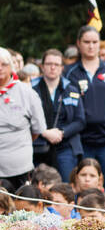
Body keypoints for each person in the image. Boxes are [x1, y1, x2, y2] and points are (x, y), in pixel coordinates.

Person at [63, 26, 105, 197]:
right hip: (81, 141)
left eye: (95, 42)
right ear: (79, 44)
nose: (91, 46)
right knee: (82, 190)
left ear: (100, 44)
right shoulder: (69, 72)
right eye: (87, 42)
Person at [32, 49, 85, 180]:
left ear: (62, 68)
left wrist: (62, 133)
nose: (52, 67)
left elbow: (80, 121)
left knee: (66, 187)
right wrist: (44, 132)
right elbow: (26, 118)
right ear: (42, 66)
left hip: (66, 145)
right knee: (38, 187)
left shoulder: (71, 90)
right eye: (49, 64)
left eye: (56, 64)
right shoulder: (31, 89)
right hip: (38, 146)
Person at [0, 47, 46, 187]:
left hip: (19, 167)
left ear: (11, 67)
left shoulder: (27, 93)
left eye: (4, 64)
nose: (0, 68)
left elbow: (37, 130)